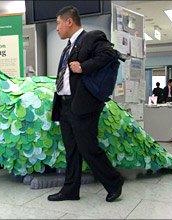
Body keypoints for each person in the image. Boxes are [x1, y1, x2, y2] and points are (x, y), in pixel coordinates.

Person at [50, 6, 124, 203]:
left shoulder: (92, 37)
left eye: (58, 23)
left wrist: (83, 67)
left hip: (83, 104)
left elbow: (109, 55)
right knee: (72, 150)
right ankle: (70, 190)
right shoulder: (68, 47)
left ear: (69, 22)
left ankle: (114, 182)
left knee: (88, 148)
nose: (56, 28)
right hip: (65, 105)